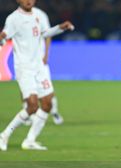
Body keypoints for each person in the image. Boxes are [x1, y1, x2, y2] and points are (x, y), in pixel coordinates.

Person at [0, 0, 74, 151]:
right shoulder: (13, 18)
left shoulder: (39, 15)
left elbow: (45, 33)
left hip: (39, 67)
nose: (28, 1)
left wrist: (61, 27)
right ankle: (5, 135)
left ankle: (30, 140)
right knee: (32, 106)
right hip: (24, 68)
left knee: (47, 104)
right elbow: (5, 36)